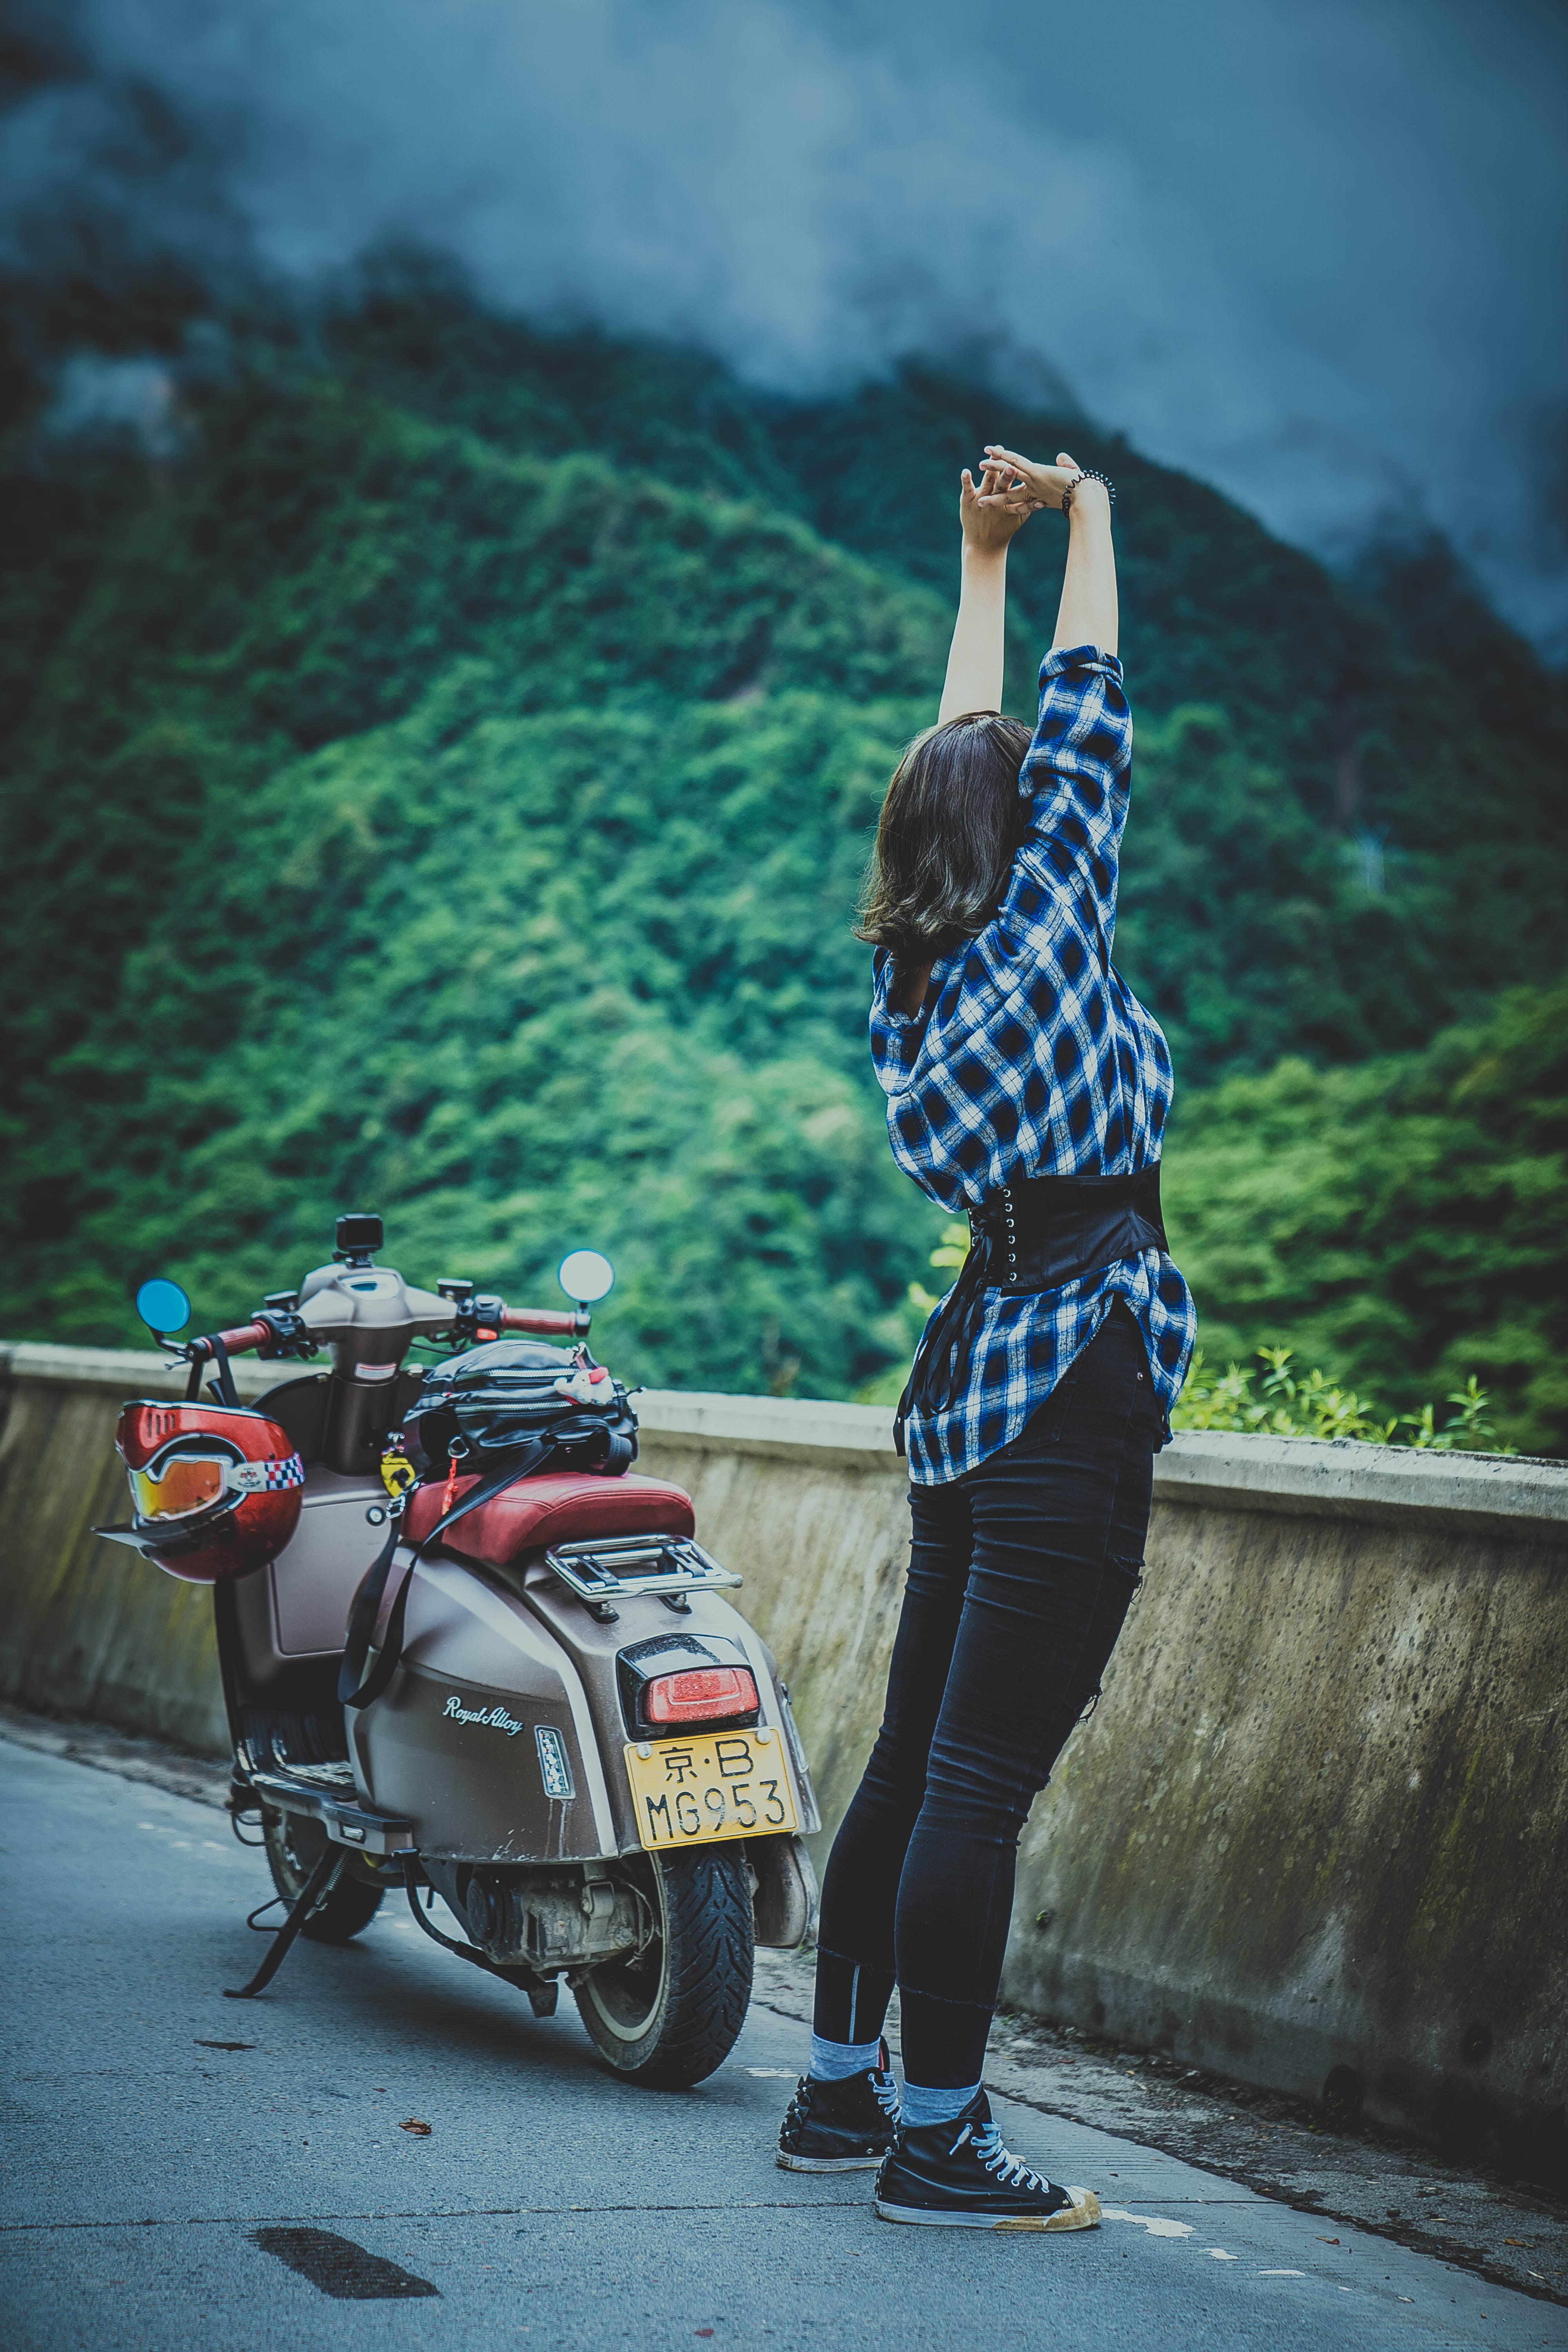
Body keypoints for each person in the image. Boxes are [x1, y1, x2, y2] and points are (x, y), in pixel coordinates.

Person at [776, 446, 1196, 2229]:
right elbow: (1082, 717)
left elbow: (971, 761)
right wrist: (1085, 514)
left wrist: (974, 566)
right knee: (978, 1789)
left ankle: (836, 2090)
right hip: (1071, 1379)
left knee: (908, 1761)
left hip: (968, 1380)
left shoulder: (918, 974)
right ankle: (939, 2140)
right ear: (1031, 842)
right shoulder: (1045, 929)